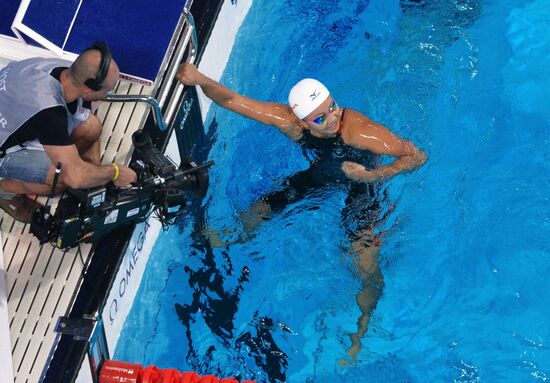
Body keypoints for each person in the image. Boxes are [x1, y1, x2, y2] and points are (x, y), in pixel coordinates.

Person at [176, 63, 427, 363]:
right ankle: (226, 238)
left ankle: (360, 330)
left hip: (363, 185)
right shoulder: (288, 122)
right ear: (303, 122)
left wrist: (371, 176)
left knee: (367, 268)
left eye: (333, 107)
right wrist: (200, 78)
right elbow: (232, 100)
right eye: (322, 116)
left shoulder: (358, 130)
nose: (333, 118)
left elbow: (416, 155)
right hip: (323, 174)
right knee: (260, 210)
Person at [0, 41, 136, 223]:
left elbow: (86, 122)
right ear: (88, 92)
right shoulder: (48, 111)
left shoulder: (66, 71)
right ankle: (4, 191)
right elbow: (75, 178)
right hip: (5, 148)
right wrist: (115, 173)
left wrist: (94, 176)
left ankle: (80, 167)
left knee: (91, 128)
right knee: (60, 180)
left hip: (16, 116)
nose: (107, 95)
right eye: (107, 90)